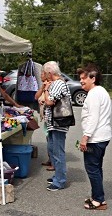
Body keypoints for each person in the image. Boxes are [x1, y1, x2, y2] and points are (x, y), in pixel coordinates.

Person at [77, 63, 111, 210]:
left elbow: (93, 118)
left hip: (95, 138)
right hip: (102, 137)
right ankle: (98, 195)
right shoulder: (102, 91)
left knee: (92, 168)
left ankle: (98, 200)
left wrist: (85, 137)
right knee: (96, 168)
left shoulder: (94, 94)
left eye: (84, 78)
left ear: (93, 78)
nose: (81, 81)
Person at [42, 61, 71, 191]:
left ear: (49, 73)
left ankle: (60, 181)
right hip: (54, 123)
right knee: (52, 149)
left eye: (44, 72)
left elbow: (49, 102)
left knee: (58, 152)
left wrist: (47, 89)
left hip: (59, 122)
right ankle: (57, 176)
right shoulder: (57, 83)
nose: (44, 75)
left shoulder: (58, 84)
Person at [34, 70, 54, 171]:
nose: (40, 75)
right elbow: (36, 96)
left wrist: (44, 101)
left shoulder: (52, 85)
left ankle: (54, 162)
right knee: (48, 139)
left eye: (42, 73)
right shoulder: (44, 85)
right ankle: (50, 159)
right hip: (46, 117)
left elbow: (51, 101)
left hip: (51, 117)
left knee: (52, 140)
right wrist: (42, 88)